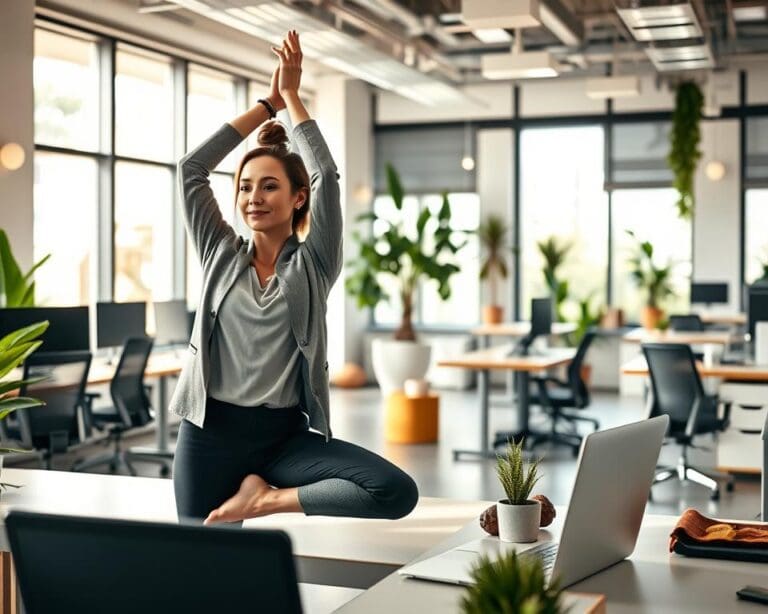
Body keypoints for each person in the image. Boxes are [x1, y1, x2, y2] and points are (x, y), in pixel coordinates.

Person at [171, 30, 418, 526]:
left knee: (395, 491)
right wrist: (265, 105)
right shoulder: (219, 251)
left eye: (269, 186)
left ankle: (264, 498)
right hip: (209, 433)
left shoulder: (314, 265)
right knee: (201, 565)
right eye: (245, 187)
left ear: (298, 197)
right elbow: (192, 168)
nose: (253, 197)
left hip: (283, 439)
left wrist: (292, 99)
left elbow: (326, 174)